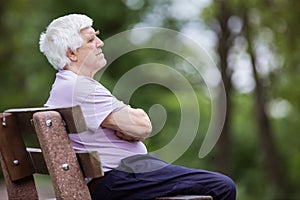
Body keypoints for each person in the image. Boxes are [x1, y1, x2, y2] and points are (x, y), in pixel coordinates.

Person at [39, 13, 236, 200]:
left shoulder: (66, 86)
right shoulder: (79, 88)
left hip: (122, 176)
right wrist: (129, 124)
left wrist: (127, 125)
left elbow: (135, 127)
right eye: (91, 40)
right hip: (119, 178)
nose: (100, 43)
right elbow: (143, 126)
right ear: (72, 53)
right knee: (222, 186)